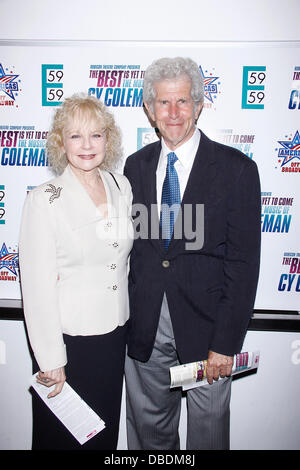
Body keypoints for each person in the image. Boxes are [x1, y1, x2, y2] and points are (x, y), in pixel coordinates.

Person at [124, 57, 261, 450]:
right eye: (163, 103)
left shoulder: (237, 170)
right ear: (149, 109)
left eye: (182, 101)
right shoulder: (134, 167)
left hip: (208, 334)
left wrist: (225, 343)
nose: (173, 113)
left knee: (209, 438)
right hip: (146, 328)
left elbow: (243, 265)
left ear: (199, 105)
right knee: (149, 437)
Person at [19, 93, 133, 450]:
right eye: (76, 136)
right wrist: (50, 359)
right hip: (70, 345)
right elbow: (36, 288)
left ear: (108, 139)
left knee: (103, 439)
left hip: (114, 338)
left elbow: (121, 260)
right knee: (64, 441)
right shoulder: (44, 198)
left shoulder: (121, 186)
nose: (87, 145)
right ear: (60, 141)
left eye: (96, 135)